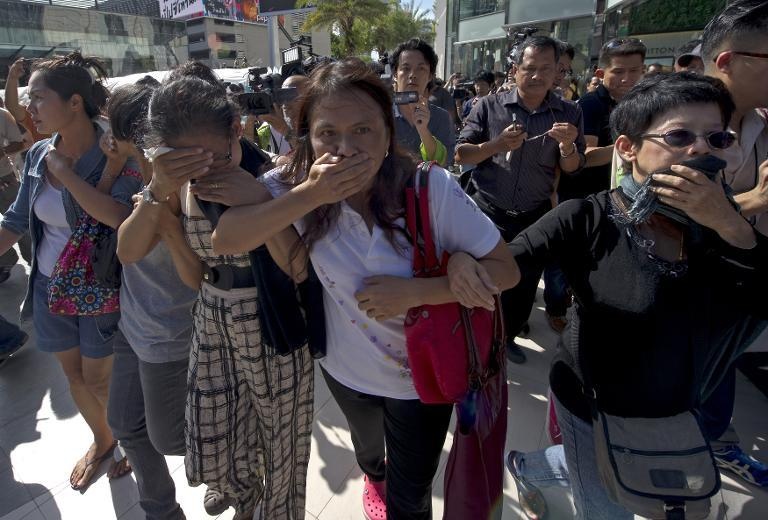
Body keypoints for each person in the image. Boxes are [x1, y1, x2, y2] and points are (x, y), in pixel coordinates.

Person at [212, 58, 520, 520]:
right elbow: (227, 239)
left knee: (409, 495)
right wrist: (313, 195)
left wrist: (420, 292)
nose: (345, 149)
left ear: (387, 133)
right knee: (370, 453)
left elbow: (507, 271)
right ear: (308, 136)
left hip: (424, 379)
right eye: (327, 133)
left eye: (362, 131)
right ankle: (374, 477)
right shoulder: (294, 185)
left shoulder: (430, 189)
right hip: (344, 367)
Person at [456, 71, 768, 519]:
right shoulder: (586, 217)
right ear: (627, 148)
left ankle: (529, 465)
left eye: (717, 138)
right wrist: (463, 264)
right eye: (680, 135)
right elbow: (508, 263)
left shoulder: (727, 226)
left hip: (677, 406)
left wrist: (732, 224)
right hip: (591, 403)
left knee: (609, 474)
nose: (700, 149)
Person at [137, 74, 313, 520]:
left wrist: (258, 199)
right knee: (213, 422)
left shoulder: (277, 172)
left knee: (281, 436)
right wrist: (161, 198)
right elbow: (135, 252)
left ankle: (276, 512)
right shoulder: (179, 185)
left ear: (236, 129)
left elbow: (299, 268)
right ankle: (242, 493)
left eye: (208, 156)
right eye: (180, 160)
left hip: (271, 322)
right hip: (212, 313)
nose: (199, 170)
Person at [0, 52, 139, 490]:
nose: (30, 109)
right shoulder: (41, 152)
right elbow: (18, 218)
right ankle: (103, 440)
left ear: (74, 102)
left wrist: (68, 174)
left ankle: (132, 440)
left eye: (38, 98)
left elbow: (121, 218)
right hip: (48, 287)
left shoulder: (114, 148)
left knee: (101, 378)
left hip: (101, 286)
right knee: (73, 375)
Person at [455, 35, 586, 364]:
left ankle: (506, 338)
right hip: (487, 210)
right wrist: (497, 145)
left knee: (523, 284)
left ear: (558, 71)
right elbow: (462, 154)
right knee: (479, 279)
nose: (538, 76)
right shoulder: (488, 106)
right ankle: (470, 336)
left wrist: (568, 146)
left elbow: (572, 169)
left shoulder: (569, 113)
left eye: (547, 68)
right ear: (515, 70)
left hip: (534, 216)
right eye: (530, 68)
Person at [102, 81, 198, 520]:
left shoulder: (183, 186)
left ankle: (239, 480)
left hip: (171, 336)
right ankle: (162, 510)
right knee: (125, 424)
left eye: (114, 125)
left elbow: (128, 250)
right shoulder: (142, 182)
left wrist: (159, 195)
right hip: (134, 325)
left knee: (175, 439)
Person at [699, 0, 768, 487]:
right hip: (686, 291)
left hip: (742, 289)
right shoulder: (668, 121)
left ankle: (718, 446)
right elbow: (647, 217)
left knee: (717, 384)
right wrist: (753, 200)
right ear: (728, 61)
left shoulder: (761, 120)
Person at [545, 38, 647, 332]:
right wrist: (629, 147)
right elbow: (585, 156)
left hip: (622, 198)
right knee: (562, 261)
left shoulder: (640, 104)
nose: (627, 78)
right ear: (601, 73)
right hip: (581, 197)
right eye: (618, 71)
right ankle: (555, 308)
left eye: (634, 70)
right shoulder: (590, 105)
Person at [390, 38, 455, 167]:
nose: (412, 75)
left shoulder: (441, 117)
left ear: (430, 76)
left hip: (427, 186)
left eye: (421, 69)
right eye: (406, 68)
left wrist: (423, 130)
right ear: (395, 74)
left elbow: (444, 162)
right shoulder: (380, 114)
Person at [0, 105, 29, 283]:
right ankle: (6, 259)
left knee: (19, 224)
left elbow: (19, 143)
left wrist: (2, 152)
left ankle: (35, 262)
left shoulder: (2, 115)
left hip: (4, 179)